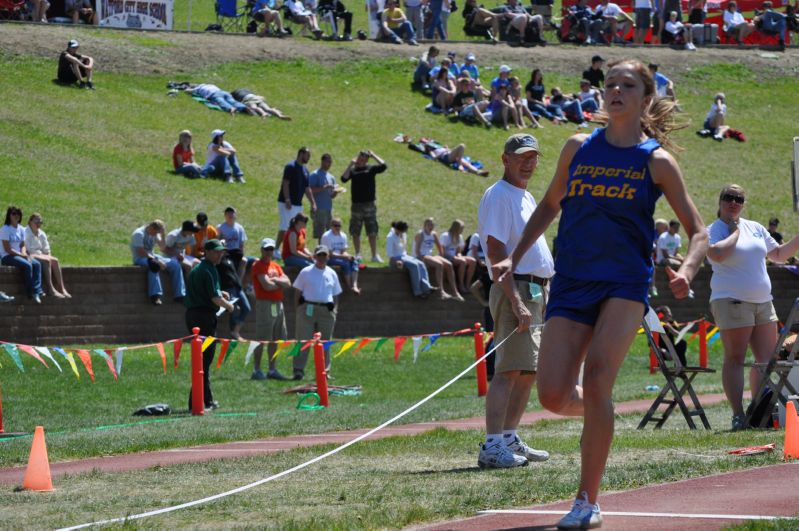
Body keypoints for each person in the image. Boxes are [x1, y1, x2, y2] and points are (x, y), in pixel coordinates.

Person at [493, 60, 707, 528]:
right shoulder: (577, 147)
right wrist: (514, 254)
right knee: (551, 395)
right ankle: (602, 415)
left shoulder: (656, 161)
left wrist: (687, 270)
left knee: (596, 381)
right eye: (609, 84)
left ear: (645, 98)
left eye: (626, 85)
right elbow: (551, 204)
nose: (614, 91)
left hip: (624, 283)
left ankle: (586, 500)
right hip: (572, 280)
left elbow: (698, 231)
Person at [476, 133, 554, 470]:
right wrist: (516, 301)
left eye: (534, 156)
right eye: (522, 155)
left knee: (526, 371)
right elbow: (496, 251)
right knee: (508, 370)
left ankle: (508, 435)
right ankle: (492, 442)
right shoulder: (499, 195)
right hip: (517, 288)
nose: (529, 162)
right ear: (505, 158)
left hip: (533, 289)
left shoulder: (525, 195)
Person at [707, 184, 799, 430]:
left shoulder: (756, 228)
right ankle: (738, 415)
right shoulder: (713, 230)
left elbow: (778, 254)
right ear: (720, 201)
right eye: (728, 197)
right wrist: (735, 231)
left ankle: (758, 411)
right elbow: (717, 255)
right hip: (731, 300)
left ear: (743, 203)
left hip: (763, 302)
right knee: (735, 358)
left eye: (738, 198)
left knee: (766, 361)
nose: (733, 202)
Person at [185, 239, 235, 411]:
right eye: (217, 251)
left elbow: (208, 291)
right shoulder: (210, 269)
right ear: (207, 252)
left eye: (222, 251)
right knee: (204, 361)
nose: (221, 254)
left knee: (202, 361)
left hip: (193, 315)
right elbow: (214, 299)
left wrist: (221, 293)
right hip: (203, 317)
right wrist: (229, 306)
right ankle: (196, 403)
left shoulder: (198, 268)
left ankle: (206, 400)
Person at [292, 245, 343, 380]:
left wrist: (335, 310)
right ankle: (298, 370)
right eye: (319, 255)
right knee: (303, 340)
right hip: (307, 309)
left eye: (324, 255)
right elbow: (297, 291)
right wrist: (298, 308)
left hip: (326, 311)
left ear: (328, 257)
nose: (321, 258)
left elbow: (336, 293)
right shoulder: (306, 272)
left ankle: (325, 371)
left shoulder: (332, 273)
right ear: (314, 257)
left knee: (325, 342)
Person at [251, 238, 292, 381]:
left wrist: (274, 281)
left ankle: (272, 369)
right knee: (262, 338)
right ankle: (256, 370)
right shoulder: (258, 265)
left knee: (276, 338)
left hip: (278, 304)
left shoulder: (276, 265)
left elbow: (288, 282)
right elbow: (266, 286)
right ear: (261, 250)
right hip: (265, 304)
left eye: (271, 249)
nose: (269, 252)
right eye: (266, 249)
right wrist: (279, 283)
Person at [341, 150, 387, 263]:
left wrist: (374, 155)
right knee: (355, 231)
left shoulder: (370, 169)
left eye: (363, 159)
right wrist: (351, 164)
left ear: (366, 160)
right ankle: (358, 254)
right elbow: (343, 179)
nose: (360, 160)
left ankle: (374, 255)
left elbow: (384, 165)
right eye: (359, 158)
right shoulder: (353, 170)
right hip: (356, 205)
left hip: (369, 205)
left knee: (372, 230)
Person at [131, 219, 186, 305]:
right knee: (154, 265)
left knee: (175, 265)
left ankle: (179, 295)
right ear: (152, 227)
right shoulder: (139, 234)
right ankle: (155, 296)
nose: (156, 235)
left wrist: (163, 235)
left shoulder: (155, 234)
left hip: (152, 256)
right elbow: (140, 251)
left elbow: (163, 248)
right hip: (140, 258)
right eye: (156, 232)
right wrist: (157, 261)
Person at [276, 147, 317, 257]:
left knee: (297, 228)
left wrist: (313, 203)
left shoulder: (305, 171)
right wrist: (287, 199)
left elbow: (307, 189)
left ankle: (293, 249)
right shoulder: (291, 167)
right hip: (286, 202)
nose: (309, 158)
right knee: (285, 227)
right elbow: (285, 183)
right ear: (301, 154)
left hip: (298, 204)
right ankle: (276, 249)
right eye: (307, 155)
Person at [1, 206, 44, 303]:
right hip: (7, 256)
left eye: (18, 213)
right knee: (28, 265)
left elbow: (22, 245)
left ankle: (37, 291)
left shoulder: (21, 229)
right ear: (9, 215)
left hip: (19, 255)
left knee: (36, 264)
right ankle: (29, 292)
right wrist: (21, 255)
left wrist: (24, 253)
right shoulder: (5, 229)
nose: (16, 215)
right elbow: (7, 249)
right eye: (14, 213)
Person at [23, 212, 70, 299]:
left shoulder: (42, 233)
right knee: (46, 260)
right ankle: (50, 288)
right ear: (30, 221)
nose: (38, 224)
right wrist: (45, 257)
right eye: (36, 222)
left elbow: (47, 250)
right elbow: (28, 250)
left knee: (55, 260)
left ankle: (61, 288)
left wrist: (47, 256)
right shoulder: (25, 232)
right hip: (30, 255)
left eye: (40, 222)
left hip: (40, 255)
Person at [414, 218, 463, 301]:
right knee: (439, 265)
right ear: (424, 225)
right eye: (429, 225)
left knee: (449, 264)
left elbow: (440, 248)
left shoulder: (434, 234)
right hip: (421, 256)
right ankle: (441, 291)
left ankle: (455, 292)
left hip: (430, 255)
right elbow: (417, 251)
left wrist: (441, 256)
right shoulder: (421, 234)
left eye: (432, 225)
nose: (431, 227)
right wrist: (422, 262)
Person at [386, 220, 436, 298]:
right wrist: (397, 261)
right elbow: (390, 254)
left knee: (421, 263)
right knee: (414, 265)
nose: (403, 234)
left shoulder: (403, 234)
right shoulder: (390, 237)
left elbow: (403, 250)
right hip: (395, 258)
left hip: (404, 256)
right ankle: (417, 292)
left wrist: (408, 257)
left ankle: (427, 287)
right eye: (402, 232)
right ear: (397, 229)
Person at [216, 239, 251, 340]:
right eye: (220, 249)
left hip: (237, 287)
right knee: (233, 310)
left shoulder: (229, 257)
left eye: (223, 248)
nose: (222, 251)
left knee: (246, 308)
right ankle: (233, 333)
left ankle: (235, 330)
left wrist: (226, 249)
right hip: (227, 288)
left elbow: (240, 253)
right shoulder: (217, 261)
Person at [321, 218, 361, 294]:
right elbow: (329, 253)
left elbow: (343, 251)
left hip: (339, 257)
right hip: (328, 258)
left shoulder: (343, 236)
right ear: (331, 226)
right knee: (346, 264)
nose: (338, 227)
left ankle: (355, 286)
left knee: (355, 261)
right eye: (336, 225)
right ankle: (350, 287)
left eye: (339, 226)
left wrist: (349, 256)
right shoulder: (326, 236)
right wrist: (345, 257)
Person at [440, 219, 477, 294]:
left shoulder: (459, 237)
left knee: (472, 261)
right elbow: (442, 251)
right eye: (461, 229)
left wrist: (459, 256)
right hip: (446, 257)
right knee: (462, 262)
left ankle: (467, 284)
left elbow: (458, 252)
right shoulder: (445, 236)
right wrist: (456, 257)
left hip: (455, 257)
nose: (462, 230)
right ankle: (461, 284)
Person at [217, 206, 251, 286]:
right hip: (226, 252)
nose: (230, 215)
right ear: (225, 215)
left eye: (232, 213)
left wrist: (242, 253)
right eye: (228, 213)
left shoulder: (239, 228)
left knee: (244, 261)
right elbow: (218, 242)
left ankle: (238, 282)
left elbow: (241, 244)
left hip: (237, 252)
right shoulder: (221, 228)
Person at [309, 153, 340, 242]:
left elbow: (331, 196)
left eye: (330, 162)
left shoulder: (331, 177)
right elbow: (309, 190)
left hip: (329, 209)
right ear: (322, 162)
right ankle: (321, 252)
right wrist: (324, 187)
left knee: (330, 232)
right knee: (321, 234)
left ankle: (327, 252)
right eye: (327, 162)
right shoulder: (315, 175)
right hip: (319, 208)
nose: (329, 164)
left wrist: (336, 192)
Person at [185, 84, 253, 115]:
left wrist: (188, 89)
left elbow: (187, 91)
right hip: (224, 92)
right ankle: (244, 107)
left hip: (215, 94)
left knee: (222, 102)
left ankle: (230, 109)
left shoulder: (198, 88)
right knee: (233, 101)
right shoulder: (211, 85)